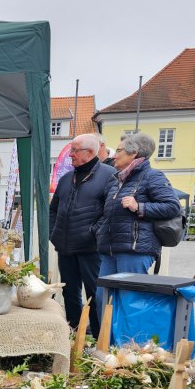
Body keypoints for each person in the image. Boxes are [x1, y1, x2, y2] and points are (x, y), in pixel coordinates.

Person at [94, 132, 180, 315]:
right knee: (102, 298)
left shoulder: (152, 176)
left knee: (129, 300)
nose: (114, 155)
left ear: (134, 153)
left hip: (134, 250)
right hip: (110, 248)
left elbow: (173, 207)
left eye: (119, 151)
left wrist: (139, 206)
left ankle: (130, 342)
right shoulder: (117, 179)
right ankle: (107, 342)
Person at [49, 133, 116, 338]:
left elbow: (110, 211)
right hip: (65, 246)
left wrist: (93, 233)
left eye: (74, 150)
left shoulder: (109, 175)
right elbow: (53, 209)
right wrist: (54, 233)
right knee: (70, 293)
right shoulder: (67, 178)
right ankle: (73, 337)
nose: (70, 154)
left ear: (89, 152)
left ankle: (98, 340)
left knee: (94, 294)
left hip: (90, 249)